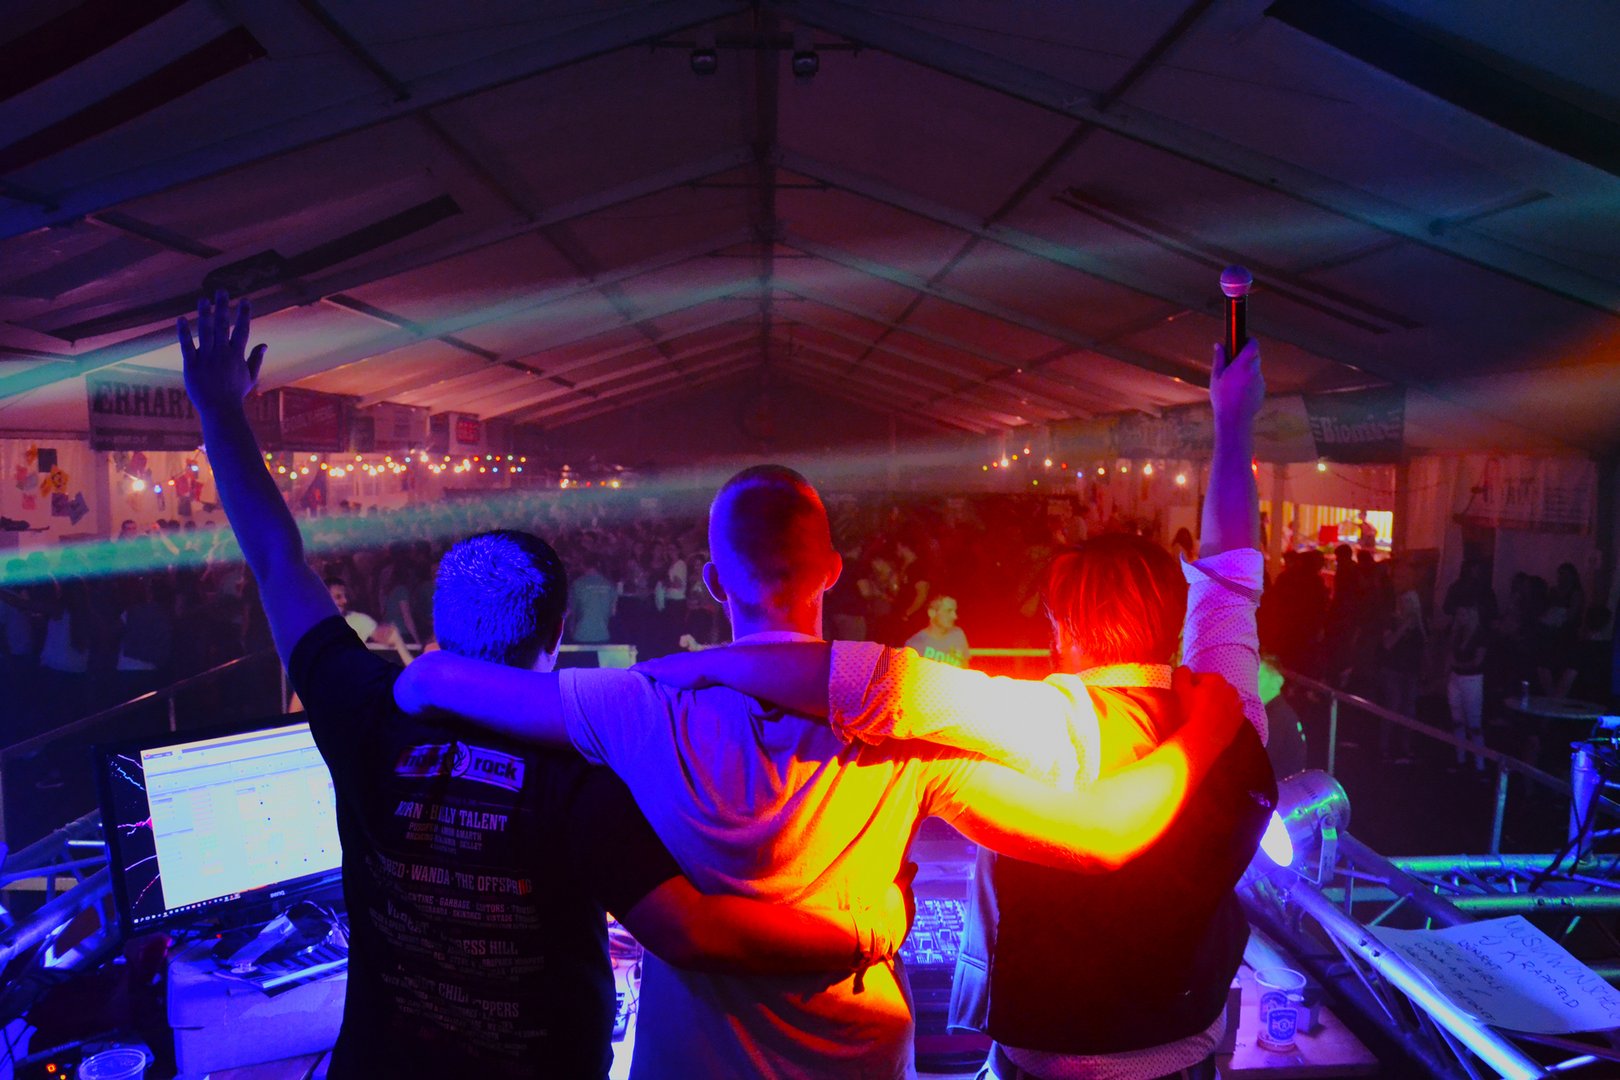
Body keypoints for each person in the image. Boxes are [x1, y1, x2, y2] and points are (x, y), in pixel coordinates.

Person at [179, 293, 910, 1080]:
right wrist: (865, 931)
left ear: (439, 622)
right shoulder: (582, 774)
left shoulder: (364, 712)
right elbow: (695, 933)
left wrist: (219, 412)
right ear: (558, 634)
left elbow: (276, 560)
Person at [395, 466, 1252, 1079]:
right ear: (833, 571)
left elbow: (431, 682)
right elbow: (1100, 839)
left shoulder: (641, 701)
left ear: (712, 580)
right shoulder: (908, 728)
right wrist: (1209, 724)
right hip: (858, 1058)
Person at [633, 337, 1276, 1080]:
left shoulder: (1043, 724)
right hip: (1187, 1052)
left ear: (1063, 629)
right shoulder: (1231, 712)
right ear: (1172, 620)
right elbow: (1231, 580)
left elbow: (872, 685)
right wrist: (1234, 427)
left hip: (1046, 1060)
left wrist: (695, 667)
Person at [1447, 605, 1489, 772]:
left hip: (1472, 679)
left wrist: (1457, 665)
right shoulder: (1458, 633)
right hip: (1456, 678)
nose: (1459, 617)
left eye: (1463, 614)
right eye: (1458, 614)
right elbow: (1450, 652)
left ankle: (1480, 764)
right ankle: (1461, 758)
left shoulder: (1480, 634)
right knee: (1457, 720)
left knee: (1474, 723)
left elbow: (1478, 661)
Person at [905, 594, 969, 667]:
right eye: (949, 611)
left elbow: (965, 666)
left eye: (955, 611)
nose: (955, 616)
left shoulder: (958, 635)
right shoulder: (914, 644)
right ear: (931, 613)